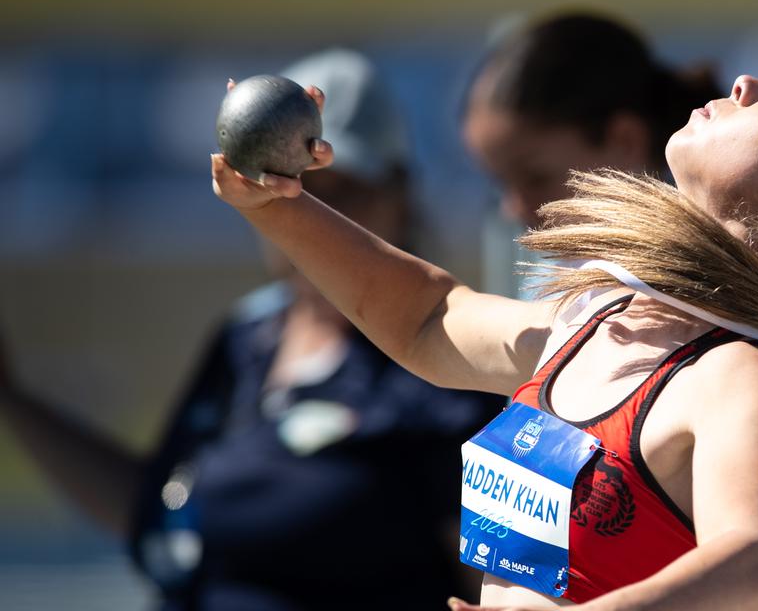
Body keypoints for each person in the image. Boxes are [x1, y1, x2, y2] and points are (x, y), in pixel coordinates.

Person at [210, 13, 758, 611]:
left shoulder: (744, 378)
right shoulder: (600, 310)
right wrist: (282, 208)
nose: (749, 82)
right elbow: (426, 319)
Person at [0, 49, 503, 610]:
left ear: (400, 193)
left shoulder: (441, 367)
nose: (311, 215)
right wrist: (12, 398)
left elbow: (488, 587)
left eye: (343, 193)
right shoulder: (247, 336)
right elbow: (161, 511)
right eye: (291, 186)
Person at [461, 12, 758, 608]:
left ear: (624, 141)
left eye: (534, 175)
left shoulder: (744, 333)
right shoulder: (577, 290)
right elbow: (426, 317)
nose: (512, 208)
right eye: (498, 182)